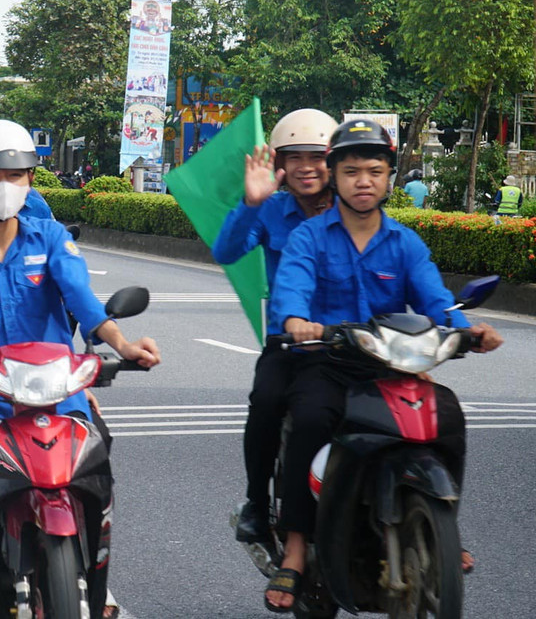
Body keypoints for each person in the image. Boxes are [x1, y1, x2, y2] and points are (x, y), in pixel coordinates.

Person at [0, 119, 161, 619]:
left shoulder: (51, 238)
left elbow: (83, 301)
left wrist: (122, 344)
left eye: (15, 176)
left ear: (31, 181)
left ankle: (90, 571)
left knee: (95, 460)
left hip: (54, 390)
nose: (4, 186)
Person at [262, 120, 503, 612]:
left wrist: (466, 329)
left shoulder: (405, 243)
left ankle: (441, 521)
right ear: (335, 177)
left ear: (389, 177)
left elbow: (436, 300)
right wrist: (297, 321)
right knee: (310, 419)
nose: (363, 181)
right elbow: (291, 289)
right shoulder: (309, 237)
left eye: (374, 171)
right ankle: (296, 546)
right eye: (351, 171)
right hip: (326, 362)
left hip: (390, 366)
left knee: (446, 415)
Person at [210, 108, 338, 546]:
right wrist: (251, 203)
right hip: (290, 345)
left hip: (352, 343)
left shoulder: (354, 209)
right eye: (294, 157)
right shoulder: (270, 210)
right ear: (279, 163)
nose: (306, 167)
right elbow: (226, 252)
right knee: (265, 401)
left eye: (316, 157)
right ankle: (257, 502)